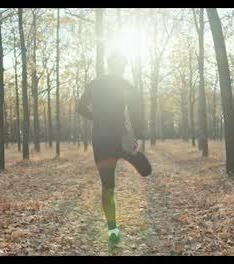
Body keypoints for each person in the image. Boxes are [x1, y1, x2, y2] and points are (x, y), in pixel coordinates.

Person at [76, 50, 152, 248]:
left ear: (110, 65)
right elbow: (136, 111)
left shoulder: (96, 83)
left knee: (108, 187)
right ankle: (113, 231)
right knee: (146, 171)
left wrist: (97, 118)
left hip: (101, 140)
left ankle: (112, 229)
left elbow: (80, 107)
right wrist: (139, 136)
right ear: (123, 67)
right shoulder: (125, 85)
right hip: (120, 138)